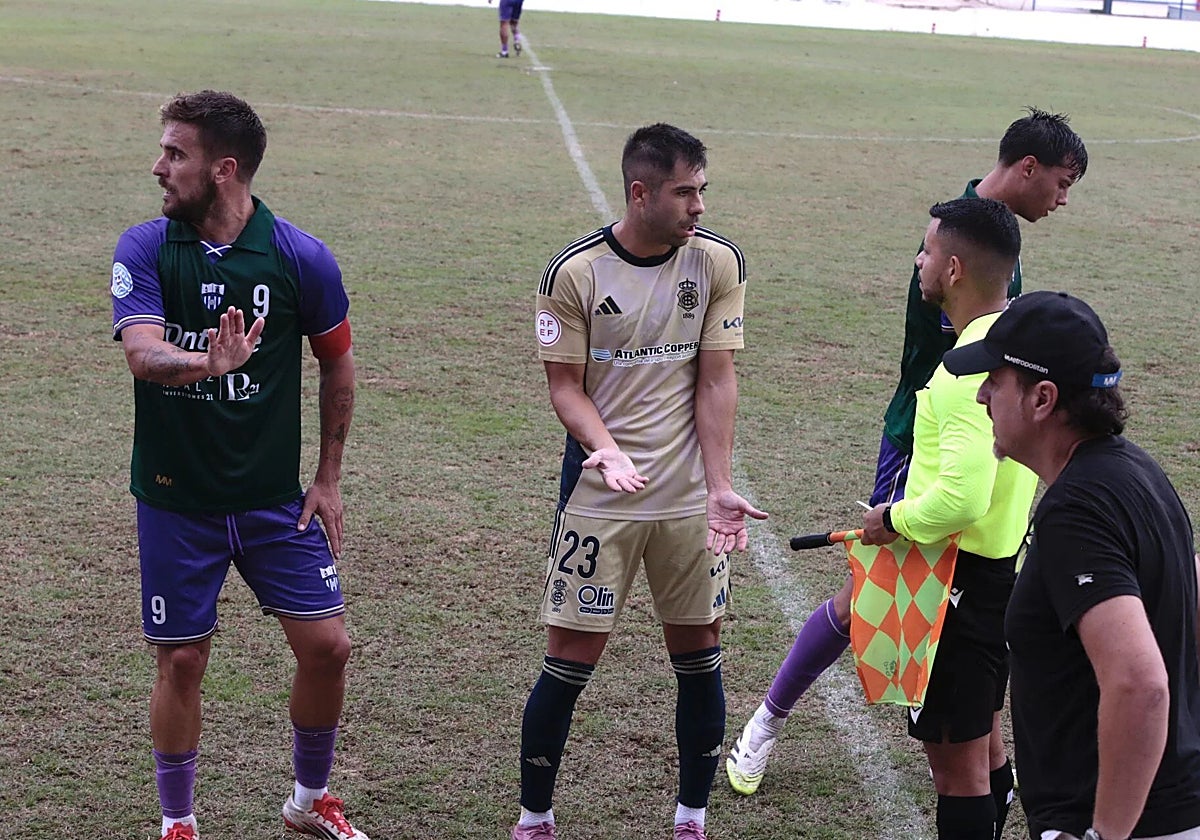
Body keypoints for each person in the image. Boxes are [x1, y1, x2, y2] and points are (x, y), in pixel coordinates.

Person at [727, 109, 1088, 834]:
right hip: (929, 439)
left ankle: (770, 724)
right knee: (870, 599)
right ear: (1026, 168)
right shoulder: (966, 237)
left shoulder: (984, 241)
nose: (1064, 197)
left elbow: (967, 480)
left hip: (963, 464)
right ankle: (767, 722)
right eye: (1062, 181)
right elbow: (950, 379)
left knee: (889, 612)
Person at [110, 90, 366, 840]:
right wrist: (206, 360)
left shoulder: (299, 256)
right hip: (174, 498)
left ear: (224, 170)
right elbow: (142, 355)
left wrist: (327, 477)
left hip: (271, 500)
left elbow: (339, 366)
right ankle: (178, 822)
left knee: (329, 646)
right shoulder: (146, 247)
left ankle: (307, 802)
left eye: (175, 154)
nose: (158, 167)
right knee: (182, 660)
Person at [516, 122, 769, 840]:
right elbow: (565, 387)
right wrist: (607, 450)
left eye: (702, 191)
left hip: (690, 503)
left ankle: (691, 818)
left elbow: (717, 380)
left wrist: (719, 484)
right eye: (685, 192)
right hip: (601, 496)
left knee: (700, 655)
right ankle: (535, 818)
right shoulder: (574, 273)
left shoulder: (718, 262)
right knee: (568, 661)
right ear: (641, 192)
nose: (699, 206)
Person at [944, 291, 1200, 840]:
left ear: (1042, 398)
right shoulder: (1136, 470)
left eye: (996, 379)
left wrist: (1105, 834)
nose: (983, 395)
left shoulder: (1076, 511)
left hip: (1127, 822)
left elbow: (1140, 682)